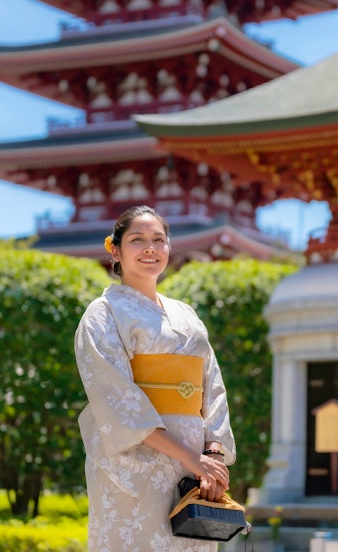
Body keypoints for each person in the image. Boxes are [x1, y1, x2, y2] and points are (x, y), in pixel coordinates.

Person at [74, 205, 236, 551]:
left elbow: (213, 388)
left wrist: (213, 456)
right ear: (115, 250)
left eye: (158, 240)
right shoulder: (103, 314)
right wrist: (193, 458)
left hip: (195, 466)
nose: (150, 248)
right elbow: (116, 398)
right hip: (134, 464)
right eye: (137, 239)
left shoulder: (186, 314)